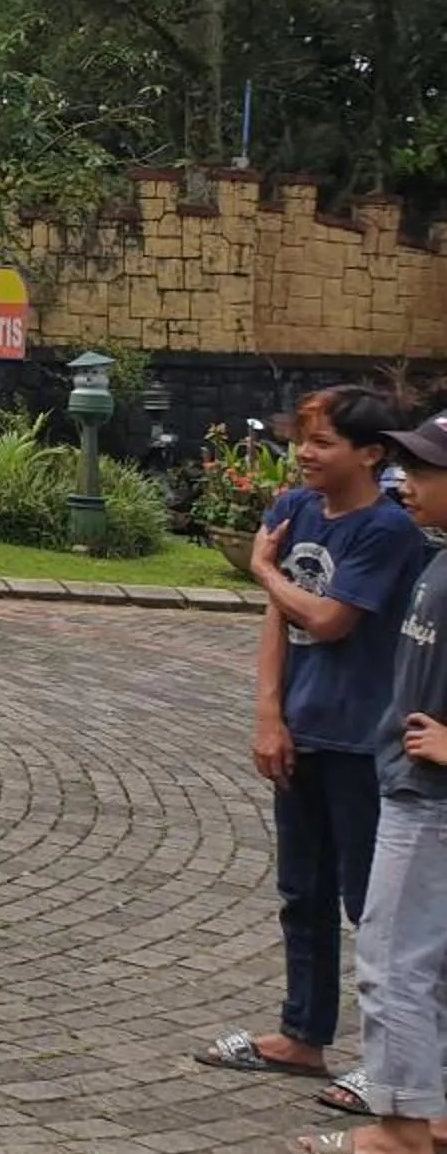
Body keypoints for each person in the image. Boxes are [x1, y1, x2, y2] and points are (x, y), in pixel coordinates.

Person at [196, 385, 421, 1083]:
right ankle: (303, 1035)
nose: (304, 453)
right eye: (302, 438)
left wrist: (263, 568)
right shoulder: (294, 509)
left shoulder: (387, 531)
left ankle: (395, 1069)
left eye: (322, 442)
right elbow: (280, 622)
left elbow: (328, 619)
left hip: (363, 739)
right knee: (304, 891)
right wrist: (269, 714)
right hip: (303, 729)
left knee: (371, 906)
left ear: (372, 454)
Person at [287, 404, 447, 1154]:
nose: (405, 482)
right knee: (427, 962)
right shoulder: (437, 555)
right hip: (408, 781)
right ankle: (433, 1111)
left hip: (430, 797)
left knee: (392, 962)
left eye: (423, 472)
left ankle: (400, 1136)